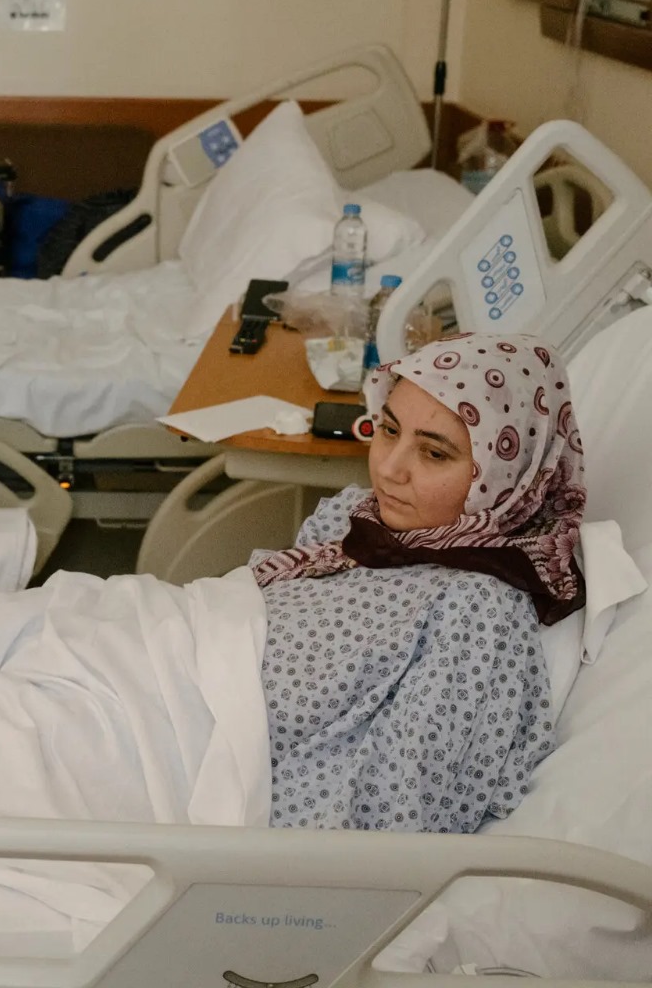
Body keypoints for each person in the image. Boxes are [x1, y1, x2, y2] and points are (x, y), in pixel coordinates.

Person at [249, 332, 582, 833]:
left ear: (506, 473)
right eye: (388, 429)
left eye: (434, 454)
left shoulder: (478, 609)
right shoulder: (356, 516)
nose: (388, 469)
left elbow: (392, 819)